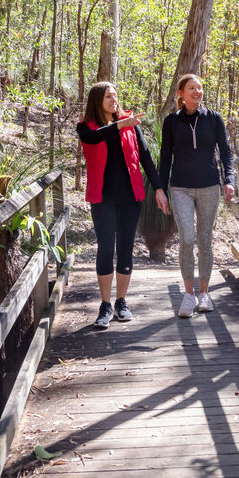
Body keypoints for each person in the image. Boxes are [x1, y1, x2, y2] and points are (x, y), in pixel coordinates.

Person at [77, 81, 162, 329]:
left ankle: (121, 302)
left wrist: (158, 188)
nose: (114, 99)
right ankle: (104, 305)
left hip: (129, 198)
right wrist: (119, 125)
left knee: (125, 248)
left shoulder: (130, 125)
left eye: (115, 95)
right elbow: (93, 138)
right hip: (103, 199)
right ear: (97, 101)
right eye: (108, 96)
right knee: (105, 248)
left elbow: (145, 158)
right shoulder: (86, 127)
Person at [156, 74, 235, 318]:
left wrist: (229, 180)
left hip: (210, 186)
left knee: (204, 240)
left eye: (200, 87)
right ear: (181, 93)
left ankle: (204, 294)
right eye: (191, 88)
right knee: (187, 239)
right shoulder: (171, 122)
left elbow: (226, 152)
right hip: (180, 188)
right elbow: (166, 156)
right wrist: (160, 188)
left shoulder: (213, 119)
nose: (197, 91)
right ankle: (188, 295)